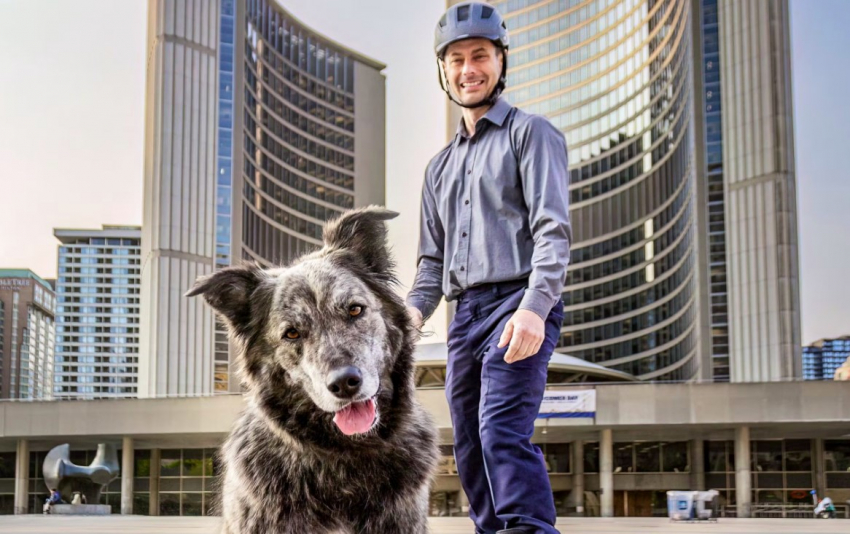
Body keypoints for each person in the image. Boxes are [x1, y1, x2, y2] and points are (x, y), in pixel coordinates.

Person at [405, 3, 571, 533]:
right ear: (443, 70)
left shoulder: (532, 134)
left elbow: (552, 230)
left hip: (516, 304)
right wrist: (407, 317)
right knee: (471, 442)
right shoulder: (439, 168)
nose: (467, 68)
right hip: (463, 316)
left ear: (501, 61)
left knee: (501, 429)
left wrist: (534, 309)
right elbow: (431, 262)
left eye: (479, 55)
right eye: (456, 59)